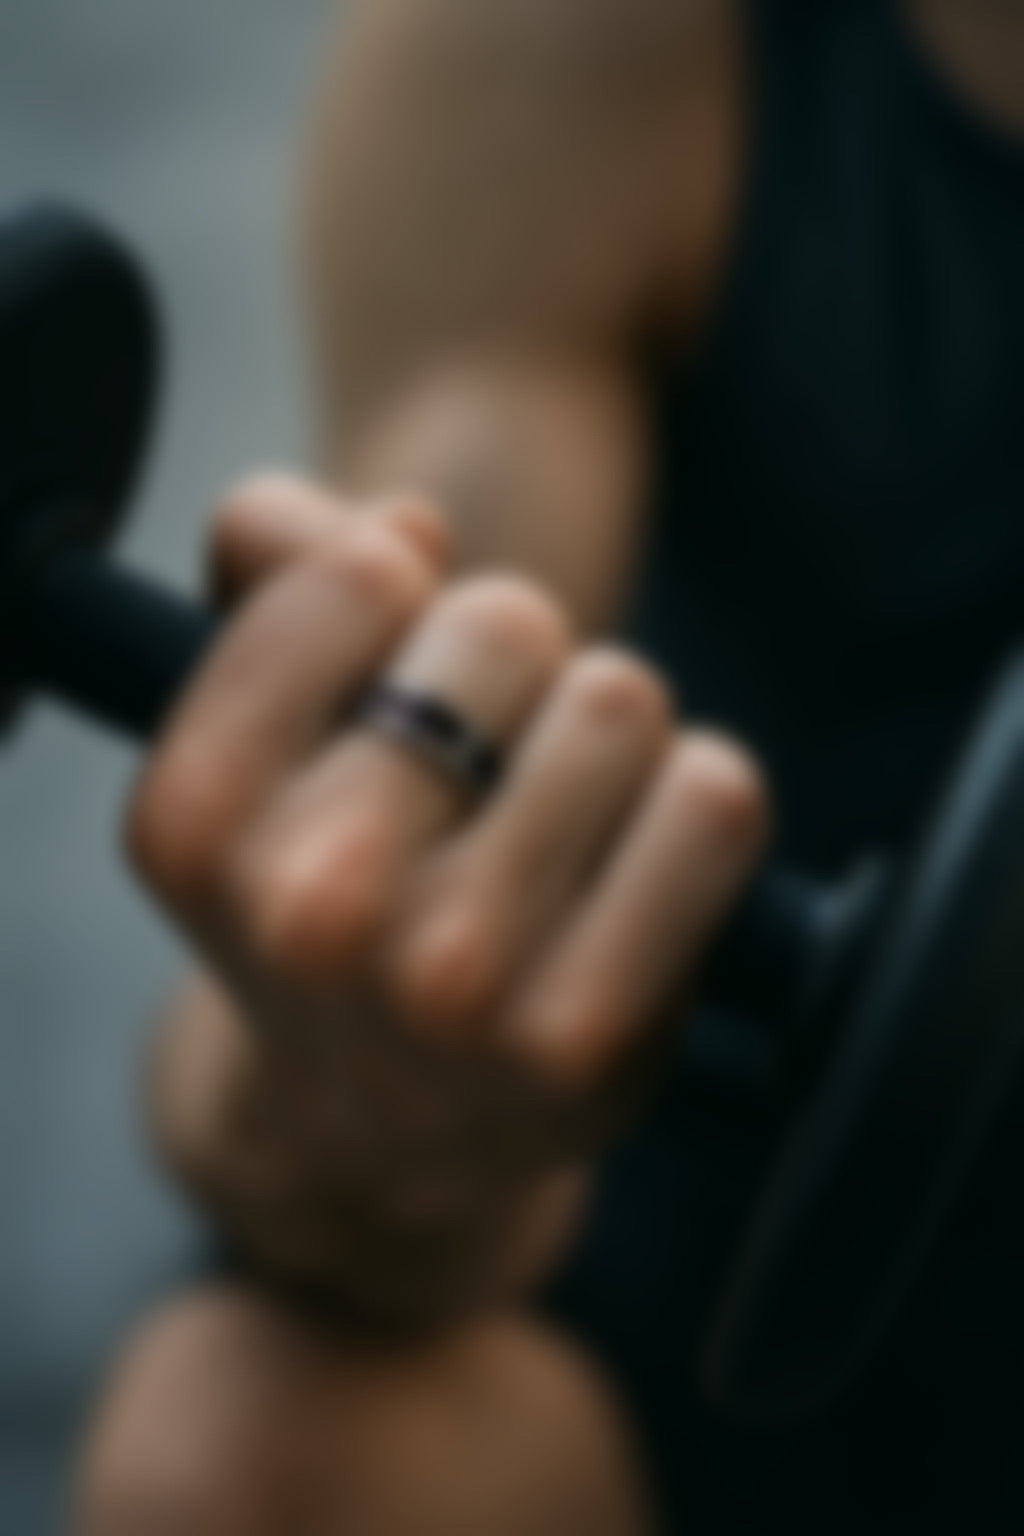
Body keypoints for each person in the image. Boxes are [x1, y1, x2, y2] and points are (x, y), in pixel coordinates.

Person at [77, 1, 1024, 1531]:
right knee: (239, 1447)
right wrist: (354, 1102)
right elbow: (404, 806)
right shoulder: (598, 43)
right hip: (699, 1298)